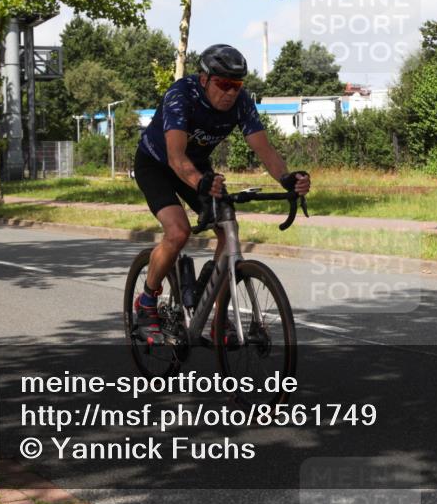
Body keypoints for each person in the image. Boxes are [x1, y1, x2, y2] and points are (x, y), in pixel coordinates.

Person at [133, 44, 311, 336]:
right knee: (178, 232)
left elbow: (264, 150)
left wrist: (288, 179)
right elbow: (176, 158)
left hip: (197, 167)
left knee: (228, 230)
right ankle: (147, 300)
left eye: (237, 85)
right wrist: (200, 181)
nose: (230, 92)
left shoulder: (241, 102)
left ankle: (215, 316)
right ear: (204, 79)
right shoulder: (181, 95)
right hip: (157, 164)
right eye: (224, 84)